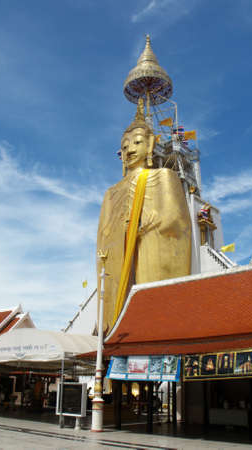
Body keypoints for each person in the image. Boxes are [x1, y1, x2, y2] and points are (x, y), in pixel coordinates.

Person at [97, 98, 191, 332]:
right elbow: (104, 237)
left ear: (150, 147)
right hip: (119, 264)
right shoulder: (111, 193)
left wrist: (145, 225)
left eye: (137, 142)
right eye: (125, 144)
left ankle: (152, 324)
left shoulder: (164, 176)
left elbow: (175, 221)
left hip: (151, 254)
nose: (130, 149)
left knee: (150, 309)